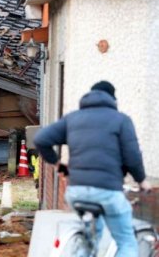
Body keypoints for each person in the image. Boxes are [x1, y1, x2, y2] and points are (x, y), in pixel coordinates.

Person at [34, 81, 150, 257]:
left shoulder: (72, 118)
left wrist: (58, 164)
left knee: (93, 237)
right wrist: (142, 181)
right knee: (126, 242)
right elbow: (132, 157)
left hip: (75, 192)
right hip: (108, 191)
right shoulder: (121, 120)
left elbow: (41, 139)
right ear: (113, 99)